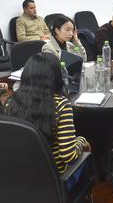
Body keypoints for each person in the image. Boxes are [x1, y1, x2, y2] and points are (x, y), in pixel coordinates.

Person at [5, 53, 91, 184]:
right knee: (87, 158)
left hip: (21, 178)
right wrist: (82, 141)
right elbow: (68, 155)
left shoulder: (11, 103)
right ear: (56, 77)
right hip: (55, 181)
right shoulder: (61, 104)